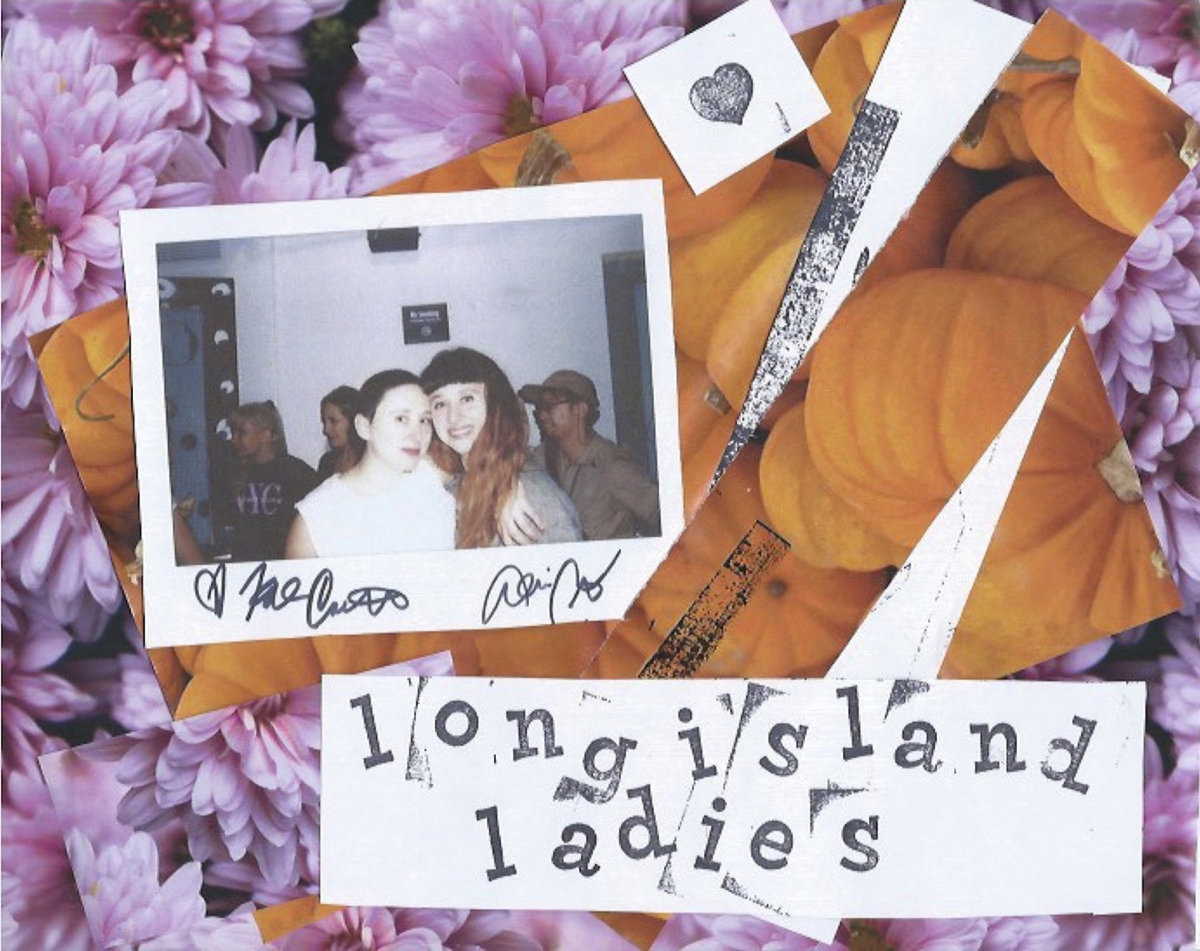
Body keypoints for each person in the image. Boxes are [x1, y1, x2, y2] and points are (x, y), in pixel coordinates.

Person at [420, 348, 582, 548]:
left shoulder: (532, 498)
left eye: (467, 399)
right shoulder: (453, 482)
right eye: (440, 404)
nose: (453, 417)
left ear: (494, 404)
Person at [285, 370, 456, 558]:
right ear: (364, 427)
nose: (417, 434)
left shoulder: (431, 481)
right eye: (401, 419)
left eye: (424, 420)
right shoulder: (317, 515)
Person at [519, 369, 660, 541]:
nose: (542, 415)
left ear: (581, 410)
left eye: (550, 406)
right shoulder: (544, 457)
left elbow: (663, 513)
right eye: (540, 408)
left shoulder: (611, 465)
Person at [226, 401, 319, 562]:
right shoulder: (236, 473)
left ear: (266, 435)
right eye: (233, 432)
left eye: (241, 433)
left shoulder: (297, 474)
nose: (234, 439)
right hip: (244, 566)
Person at [316, 385, 366, 481]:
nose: (326, 430)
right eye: (324, 422)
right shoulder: (327, 463)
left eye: (333, 421)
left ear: (354, 421)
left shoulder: (371, 461)